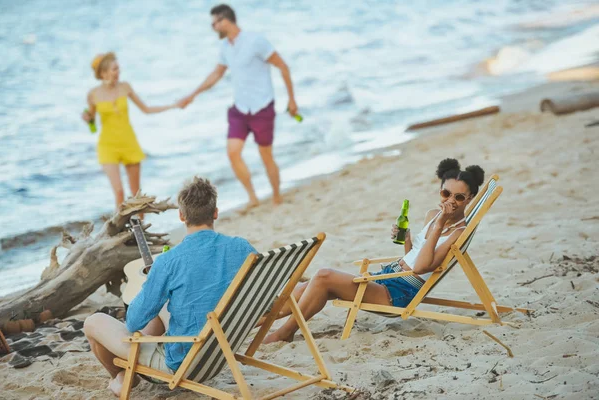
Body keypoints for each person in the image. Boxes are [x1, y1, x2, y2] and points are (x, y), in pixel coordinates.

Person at [263, 159, 485, 343]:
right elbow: (414, 256)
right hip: (389, 276)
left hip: (399, 293)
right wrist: (408, 240)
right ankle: (259, 321)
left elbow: (420, 267)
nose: (450, 201)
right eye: (446, 194)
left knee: (323, 276)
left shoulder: (457, 232)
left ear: (470, 198)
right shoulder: (432, 215)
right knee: (306, 286)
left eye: (459, 197)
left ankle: (285, 333)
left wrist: (439, 225)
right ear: (440, 191)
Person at [83, 177, 256, 397]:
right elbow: (263, 304)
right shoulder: (241, 248)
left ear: (182, 216)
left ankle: (121, 378)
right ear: (215, 213)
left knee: (93, 322)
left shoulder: (169, 261)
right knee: (168, 305)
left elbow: (134, 321)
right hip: (221, 351)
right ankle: (122, 376)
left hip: (182, 362)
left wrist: (151, 286)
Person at [180, 4, 299, 208]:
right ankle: (252, 197)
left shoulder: (256, 41)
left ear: (225, 20)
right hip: (240, 110)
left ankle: (277, 196)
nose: (213, 27)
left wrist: (291, 100)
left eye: (215, 23)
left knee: (266, 155)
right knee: (233, 152)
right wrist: (193, 94)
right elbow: (216, 74)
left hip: (262, 107)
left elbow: (283, 66)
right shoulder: (225, 47)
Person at [82, 52, 183, 209]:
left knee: (136, 195)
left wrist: (172, 106)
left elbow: (146, 109)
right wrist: (88, 120)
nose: (118, 72)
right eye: (115, 69)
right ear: (104, 72)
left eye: (118, 68)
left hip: (129, 142)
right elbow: (93, 126)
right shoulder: (93, 94)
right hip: (107, 146)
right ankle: (120, 232)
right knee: (119, 192)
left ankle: (140, 229)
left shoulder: (125, 87)